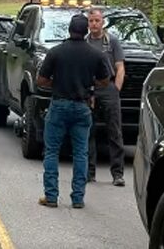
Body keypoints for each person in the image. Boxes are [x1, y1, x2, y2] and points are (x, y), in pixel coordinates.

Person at [36, 14, 110, 209]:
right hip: (82, 106)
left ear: (69, 30)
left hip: (59, 104)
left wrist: (57, 82)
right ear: (86, 31)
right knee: (81, 153)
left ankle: (51, 196)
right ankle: (77, 198)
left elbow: (41, 80)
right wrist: (88, 84)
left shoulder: (56, 52)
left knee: (52, 151)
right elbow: (105, 80)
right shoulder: (95, 55)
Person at [85, 7, 126, 186]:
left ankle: (117, 174)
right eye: (91, 21)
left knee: (114, 132)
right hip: (90, 90)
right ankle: (89, 172)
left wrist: (116, 88)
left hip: (109, 88)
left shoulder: (112, 42)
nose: (94, 24)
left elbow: (120, 67)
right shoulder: (85, 43)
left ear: (103, 22)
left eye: (97, 21)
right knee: (88, 132)